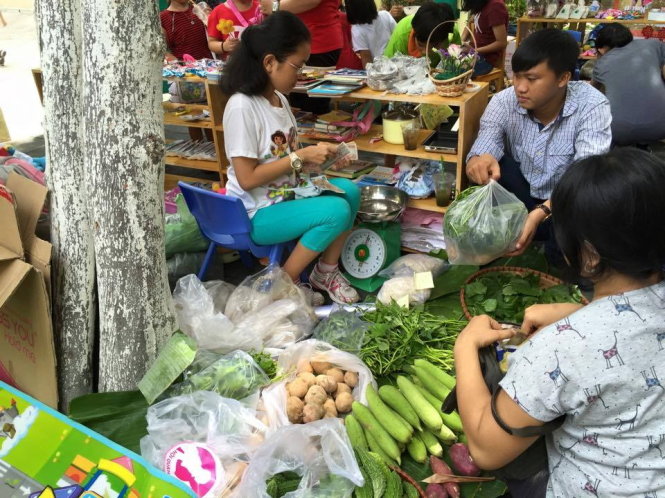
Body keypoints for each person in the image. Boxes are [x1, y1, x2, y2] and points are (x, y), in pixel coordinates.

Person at [453, 148, 665, 497]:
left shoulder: (559, 349)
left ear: (589, 253)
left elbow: (486, 449)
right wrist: (579, 314)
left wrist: (465, 346)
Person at [221, 12, 361, 305]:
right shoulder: (242, 107)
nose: (302, 73)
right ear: (269, 62)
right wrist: (300, 156)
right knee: (335, 211)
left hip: (287, 195)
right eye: (298, 65)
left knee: (350, 191)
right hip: (256, 213)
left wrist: (322, 159)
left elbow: (287, 160)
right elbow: (247, 179)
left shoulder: (280, 100)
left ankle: (325, 272)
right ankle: (284, 283)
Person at [466, 29, 611, 260]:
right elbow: (486, 141)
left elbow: (585, 173)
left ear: (563, 78)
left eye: (532, 79)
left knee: (592, 193)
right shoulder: (504, 102)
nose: (520, 87)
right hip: (520, 196)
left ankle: (563, 259)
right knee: (497, 164)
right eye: (516, 76)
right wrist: (478, 161)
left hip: (564, 202)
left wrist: (541, 212)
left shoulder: (591, 105)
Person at [260, 0, 344, 115]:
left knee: (308, 107)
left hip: (315, 43)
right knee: (296, 103)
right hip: (296, 40)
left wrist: (276, 6)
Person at [592, 23, 665, 146]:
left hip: (619, 132)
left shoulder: (602, 63)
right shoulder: (653, 44)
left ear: (601, 49)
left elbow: (593, 93)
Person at [383, 2, 456, 58]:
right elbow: (387, 66)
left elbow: (456, 64)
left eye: (433, 46)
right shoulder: (402, 34)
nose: (425, 52)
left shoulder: (450, 33)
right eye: (420, 45)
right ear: (413, 32)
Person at [461, 0, 508, 76]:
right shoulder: (480, 4)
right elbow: (469, 24)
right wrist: (461, 42)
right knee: (445, 63)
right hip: (473, 54)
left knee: (455, 69)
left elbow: (502, 43)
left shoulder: (495, 6)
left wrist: (474, 50)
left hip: (486, 60)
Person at [346, 0, 397, 68]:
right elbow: (397, 36)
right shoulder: (385, 15)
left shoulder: (357, 29)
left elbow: (367, 60)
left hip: (379, 69)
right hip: (397, 62)